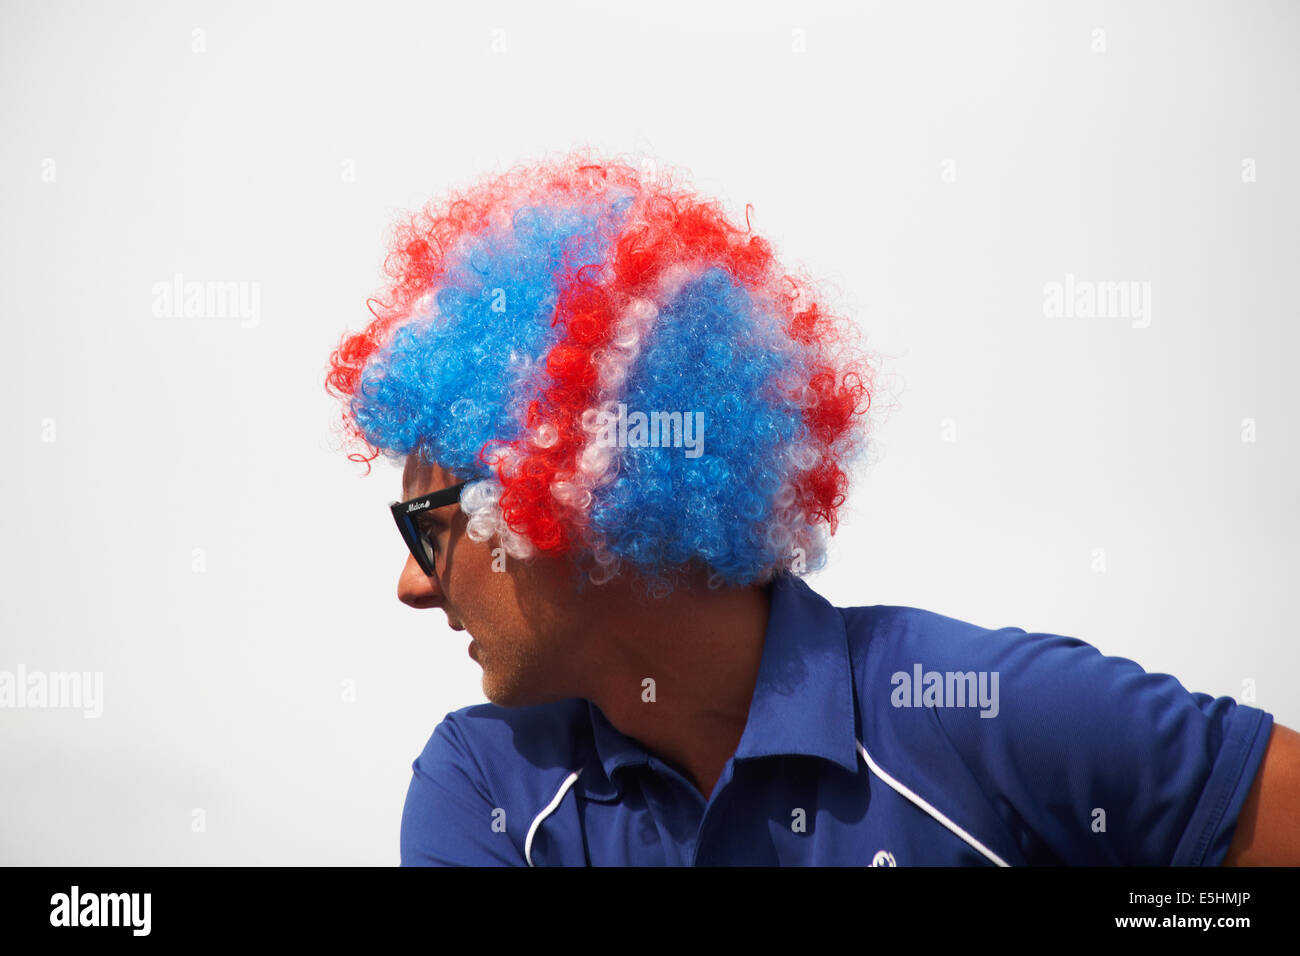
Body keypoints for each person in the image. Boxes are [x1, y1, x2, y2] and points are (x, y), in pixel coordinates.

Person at [325, 150, 1299, 866]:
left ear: (566, 494)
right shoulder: (487, 787)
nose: (412, 583)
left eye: (429, 523)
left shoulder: (987, 709)